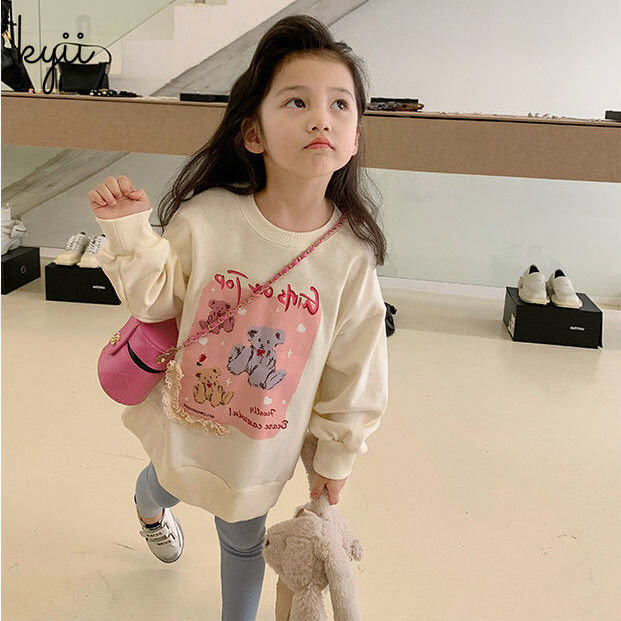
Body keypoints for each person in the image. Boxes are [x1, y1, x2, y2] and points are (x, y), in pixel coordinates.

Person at [88, 14, 388, 621]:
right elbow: (157, 300)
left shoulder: (350, 258)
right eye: (297, 101)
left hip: (260, 449)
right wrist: (129, 233)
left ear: (355, 136)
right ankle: (149, 511)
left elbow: (355, 370)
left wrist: (335, 457)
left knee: (243, 541)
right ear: (253, 133)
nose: (322, 118)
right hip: (187, 421)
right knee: (162, 483)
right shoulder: (208, 218)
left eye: (340, 104)